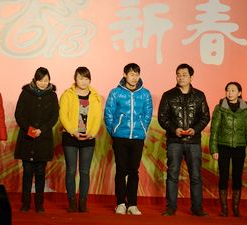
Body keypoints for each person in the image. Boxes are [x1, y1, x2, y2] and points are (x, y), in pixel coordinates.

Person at [157, 63, 210, 217]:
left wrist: (196, 129)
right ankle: (171, 207)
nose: (181, 77)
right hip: (175, 141)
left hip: (193, 141)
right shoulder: (168, 95)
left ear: (191, 77)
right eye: (178, 74)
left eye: (184, 75)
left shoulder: (199, 95)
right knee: (172, 174)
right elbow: (162, 117)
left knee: (196, 176)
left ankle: (197, 208)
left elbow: (205, 116)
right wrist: (174, 129)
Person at [104, 63, 152, 215]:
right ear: (125, 75)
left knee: (133, 171)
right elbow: (108, 114)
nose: (134, 77)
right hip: (120, 137)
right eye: (131, 74)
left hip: (137, 137)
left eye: (136, 74)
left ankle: (132, 204)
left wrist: (142, 129)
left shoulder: (145, 94)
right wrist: (114, 131)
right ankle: (120, 204)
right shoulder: (115, 93)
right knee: (121, 170)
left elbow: (147, 114)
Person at [14, 67, 59, 212]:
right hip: (27, 139)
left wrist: (42, 129)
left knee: (40, 173)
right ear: (35, 79)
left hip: (43, 139)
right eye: (40, 80)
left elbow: (54, 116)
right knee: (27, 172)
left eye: (46, 80)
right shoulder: (25, 93)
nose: (43, 83)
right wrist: (29, 129)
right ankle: (25, 204)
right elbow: (19, 114)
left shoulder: (52, 95)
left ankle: (39, 205)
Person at [59, 66, 103, 213]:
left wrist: (92, 132)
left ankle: (83, 202)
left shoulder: (95, 96)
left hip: (88, 137)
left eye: (86, 78)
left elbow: (97, 117)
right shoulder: (67, 95)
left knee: (84, 171)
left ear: (90, 80)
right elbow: (63, 115)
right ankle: (71, 202)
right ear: (75, 79)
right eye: (80, 78)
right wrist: (72, 131)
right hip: (70, 136)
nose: (83, 81)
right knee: (71, 170)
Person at [209, 81, 247, 217]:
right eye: (228, 90)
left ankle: (235, 208)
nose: (230, 93)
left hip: (239, 147)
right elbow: (214, 130)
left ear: (239, 93)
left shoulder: (245, 109)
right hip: (223, 146)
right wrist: (214, 149)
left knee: (237, 177)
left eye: (233, 90)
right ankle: (224, 208)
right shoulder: (219, 108)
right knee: (223, 176)